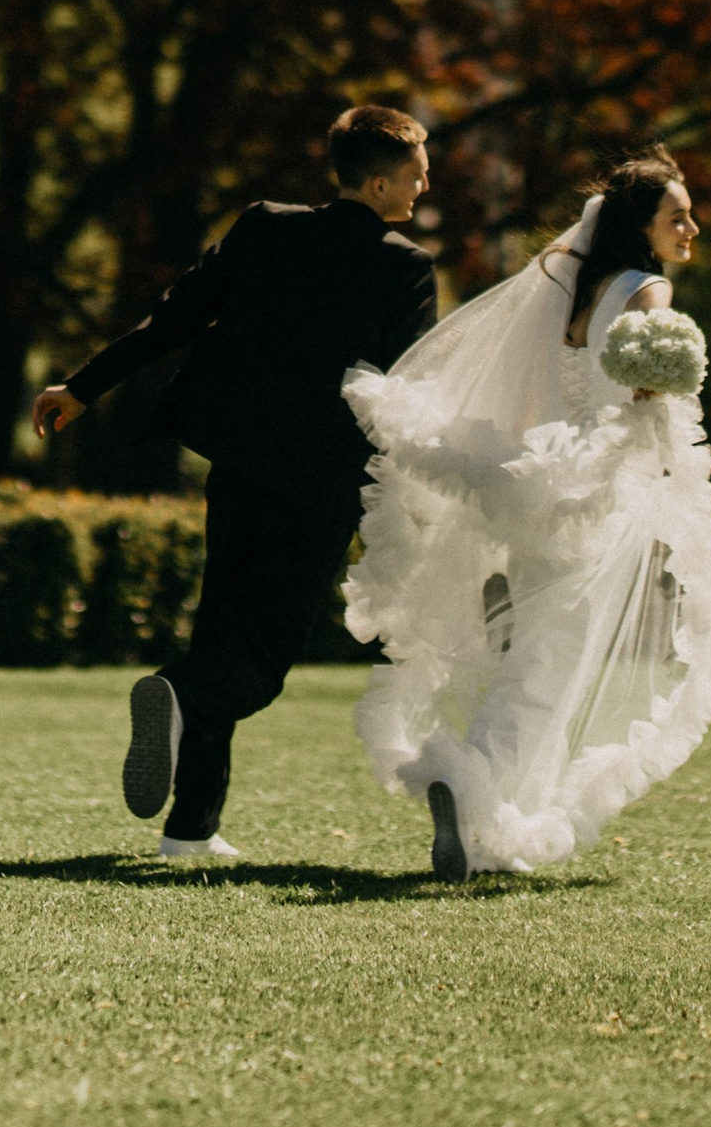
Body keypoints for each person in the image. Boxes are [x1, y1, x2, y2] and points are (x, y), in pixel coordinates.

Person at [32, 105, 438, 863]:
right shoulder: (404, 266)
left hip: (238, 465)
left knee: (221, 627)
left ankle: (190, 829)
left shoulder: (264, 226)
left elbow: (172, 320)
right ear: (380, 181)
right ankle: (181, 696)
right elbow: (404, 388)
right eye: (417, 173)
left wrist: (83, 388)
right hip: (318, 485)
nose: (425, 185)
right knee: (257, 663)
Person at [342, 147, 711, 880]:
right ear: (642, 227)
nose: (692, 228)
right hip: (599, 499)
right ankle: (468, 789)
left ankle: (496, 828)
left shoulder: (575, 291)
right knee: (551, 665)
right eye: (677, 217)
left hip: (545, 489)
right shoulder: (649, 293)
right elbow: (651, 395)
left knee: (541, 655)